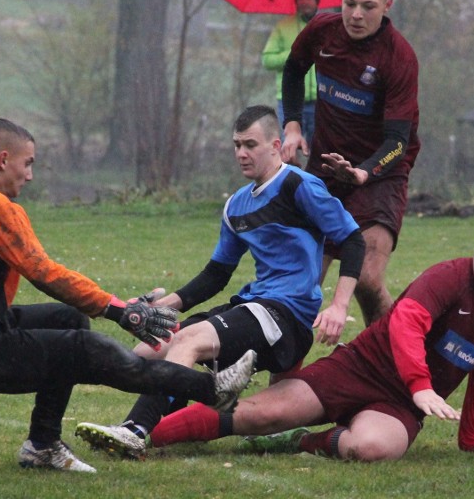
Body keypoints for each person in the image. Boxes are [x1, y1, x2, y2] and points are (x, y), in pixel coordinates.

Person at [0, 118, 257, 473]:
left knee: (69, 320)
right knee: (83, 349)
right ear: (3, 160)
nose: (30, 176)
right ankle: (212, 390)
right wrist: (121, 311)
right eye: (28, 164)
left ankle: (42, 445)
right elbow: (45, 273)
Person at [74, 105, 365, 460]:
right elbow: (216, 275)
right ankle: (176, 414)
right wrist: (159, 309)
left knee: (189, 341)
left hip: (286, 315)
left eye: (251, 145)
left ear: (276, 145)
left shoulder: (298, 185)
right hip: (252, 305)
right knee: (150, 350)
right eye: (237, 144)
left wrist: (338, 305)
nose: (242, 153)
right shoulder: (236, 206)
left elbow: (352, 239)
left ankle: (134, 429)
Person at [135, 213, 474, 461]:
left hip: (401, 405)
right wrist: (422, 385)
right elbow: (406, 324)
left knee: (371, 449)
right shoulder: (448, 276)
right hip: (359, 368)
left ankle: (304, 441)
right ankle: (143, 435)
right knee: (258, 414)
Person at [280, 0, 422, 327]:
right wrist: (293, 124)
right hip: (325, 170)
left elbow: (397, 142)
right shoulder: (322, 32)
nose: (356, 15)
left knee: (368, 279)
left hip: (381, 174)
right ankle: (281, 378)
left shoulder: (399, 57)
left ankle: (394, 367)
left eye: (368, 6)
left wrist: (363, 172)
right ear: (340, 0)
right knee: (301, 283)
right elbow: (294, 68)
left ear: (387, 6)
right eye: (349, 3)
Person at [262, 0, 320, 146]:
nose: (304, 1)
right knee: (287, 151)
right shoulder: (283, 26)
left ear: (317, 1)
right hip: (289, 102)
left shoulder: (324, 27)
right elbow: (267, 60)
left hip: (320, 102)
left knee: (319, 152)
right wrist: (294, 54)